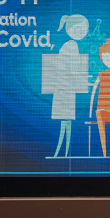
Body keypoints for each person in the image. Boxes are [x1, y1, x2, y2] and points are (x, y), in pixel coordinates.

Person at [43, 14, 89, 158]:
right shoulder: (71, 45)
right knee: (66, 122)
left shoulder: (69, 45)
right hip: (65, 89)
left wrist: (83, 78)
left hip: (65, 88)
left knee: (66, 122)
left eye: (84, 30)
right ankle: (63, 154)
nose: (82, 33)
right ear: (69, 29)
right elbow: (71, 70)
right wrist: (85, 80)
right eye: (79, 30)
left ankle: (62, 154)